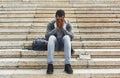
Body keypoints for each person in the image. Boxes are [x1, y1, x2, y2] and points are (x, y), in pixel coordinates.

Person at [45, 9, 74, 74]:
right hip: (55, 44)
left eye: (62, 19)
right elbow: (46, 36)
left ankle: (67, 64)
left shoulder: (68, 24)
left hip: (64, 45)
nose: (60, 21)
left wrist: (64, 29)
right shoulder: (51, 24)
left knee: (67, 37)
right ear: (55, 17)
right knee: (51, 37)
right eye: (58, 19)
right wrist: (55, 29)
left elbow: (72, 37)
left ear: (64, 18)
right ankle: (50, 65)